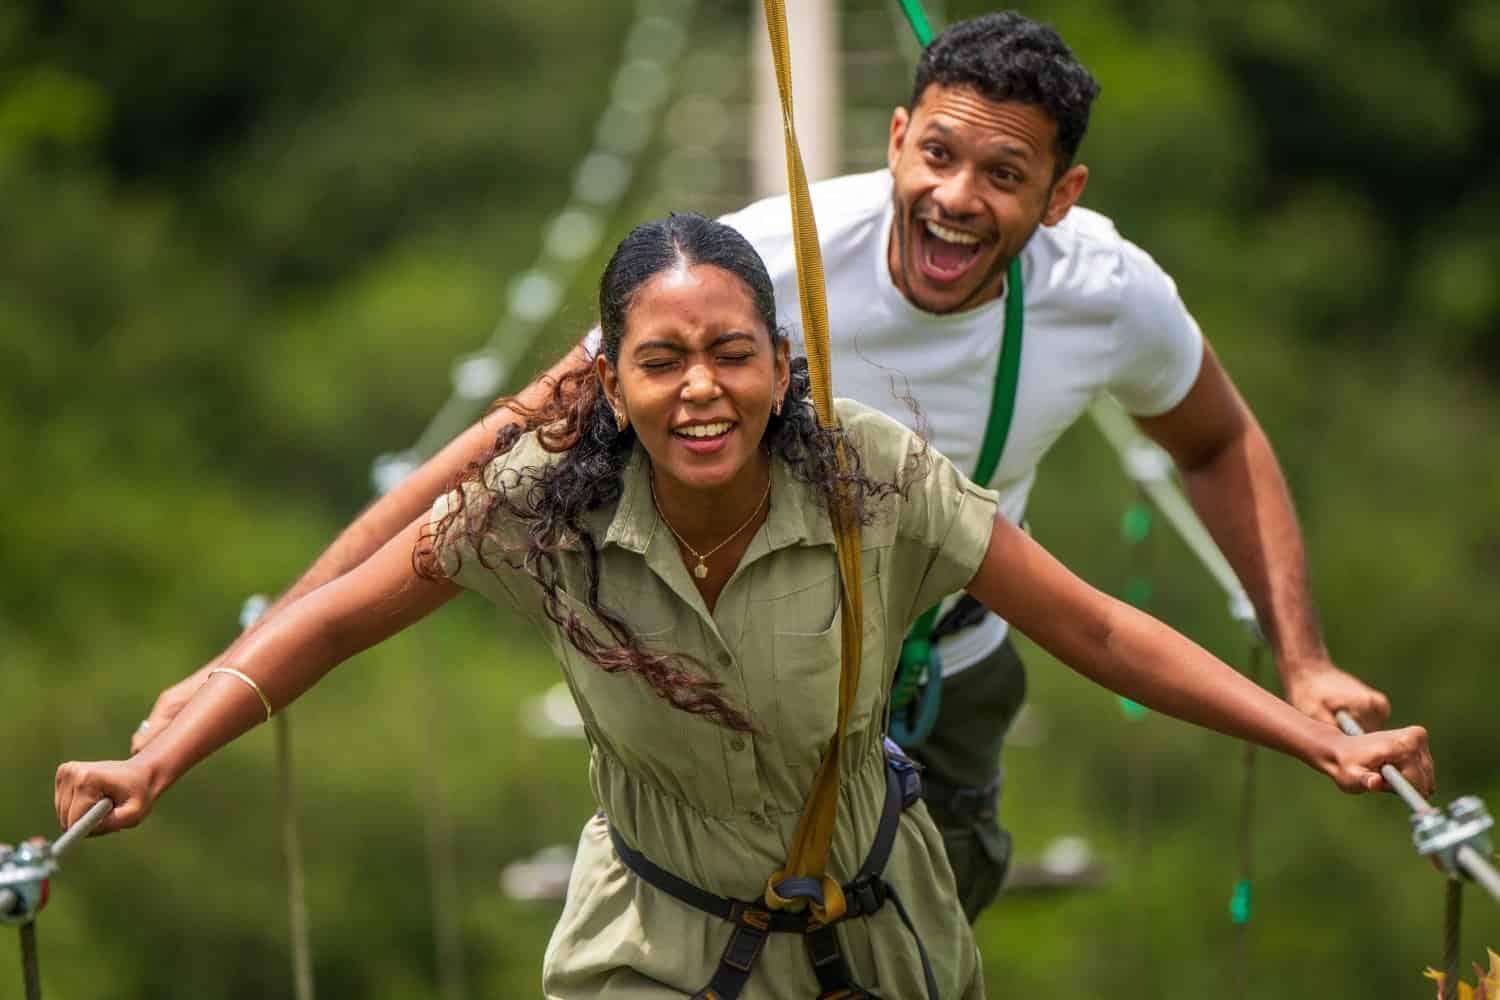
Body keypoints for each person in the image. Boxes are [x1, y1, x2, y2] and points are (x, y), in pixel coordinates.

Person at [132, 12, 1392, 922]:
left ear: (1060, 196)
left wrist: (1303, 669)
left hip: (953, 657)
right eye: (937, 156)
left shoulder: (1105, 293)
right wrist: (241, 659)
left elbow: (1204, 465)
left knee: (919, 915)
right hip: (726, 664)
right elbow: (496, 455)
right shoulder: (758, 264)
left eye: (1005, 175)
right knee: (706, 914)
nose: (956, 198)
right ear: (894, 138)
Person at [61, 214, 1432, 999]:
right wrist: (164, 751)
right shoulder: (541, 504)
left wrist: (1305, 726)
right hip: (648, 943)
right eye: (662, 361)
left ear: (786, 365)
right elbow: (340, 620)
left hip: (879, 932)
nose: (701, 389)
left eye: (733, 354)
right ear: (608, 379)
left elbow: (1100, 632)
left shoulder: (878, 485)